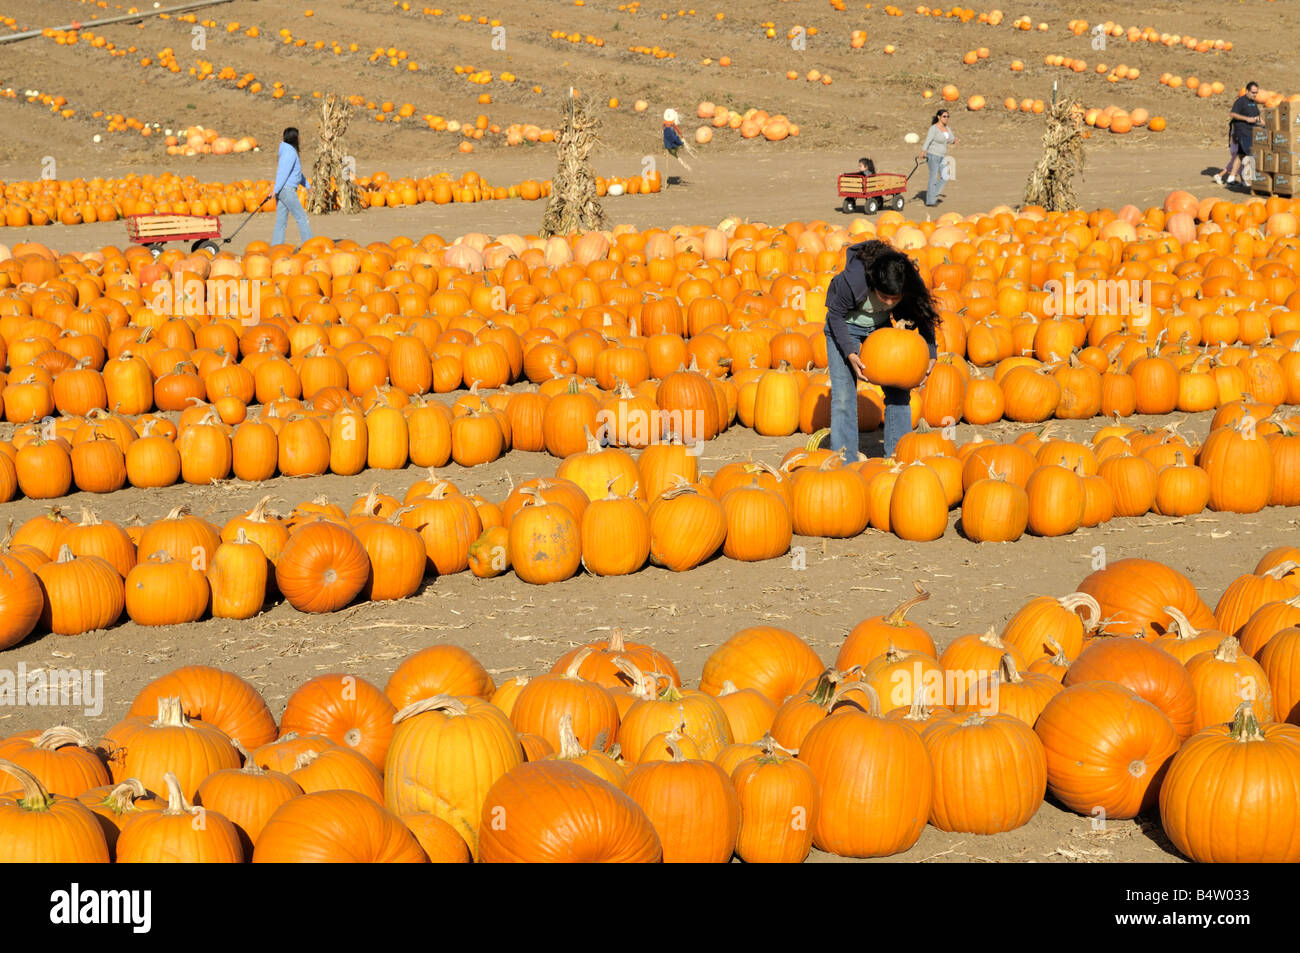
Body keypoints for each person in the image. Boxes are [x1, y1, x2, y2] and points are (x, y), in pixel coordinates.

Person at [824, 240, 939, 461]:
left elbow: (924, 315)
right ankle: (844, 462)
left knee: (899, 392)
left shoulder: (908, 283)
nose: (888, 302)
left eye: (894, 299)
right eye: (883, 296)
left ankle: (898, 458)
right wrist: (850, 352)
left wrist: (931, 352)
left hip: (879, 328)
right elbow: (835, 315)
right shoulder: (854, 280)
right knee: (843, 397)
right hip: (843, 326)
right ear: (873, 284)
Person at [1215, 81, 1264, 186]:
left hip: (1251, 132)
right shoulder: (1241, 101)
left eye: (1256, 93)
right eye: (1253, 92)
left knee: (1241, 154)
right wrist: (1247, 119)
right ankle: (1247, 179)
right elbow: (1232, 114)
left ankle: (1231, 178)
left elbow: (1258, 117)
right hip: (1242, 132)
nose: (1255, 95)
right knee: (1247, 154)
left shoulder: (1254, 103)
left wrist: (1265, 123)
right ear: (1247, 91)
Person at [272, 127, 312, 246]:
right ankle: (309, 245)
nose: (300, 139)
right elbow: (283, 173)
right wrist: (275, 190)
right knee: (302, 218)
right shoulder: (289, 152)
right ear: (294, 138)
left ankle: (276, 247)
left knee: (281, 221)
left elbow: (297, 173)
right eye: (299, 136)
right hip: (287, 190)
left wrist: (308, 186)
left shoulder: (288, 151)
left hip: (283, 190)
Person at [919, 109, 955, 206]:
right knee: (933, 178)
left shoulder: (948, 128)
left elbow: (951, 139)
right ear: (939, 117)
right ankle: (930, 201)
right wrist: (923, 151)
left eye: (948, 116)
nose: (946, 118)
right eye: (944, 116)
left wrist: (954, 140)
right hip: (932, 155)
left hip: (942, 156)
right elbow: (928, 140)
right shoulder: (934, 128)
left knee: (945, 176)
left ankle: (933, 195)